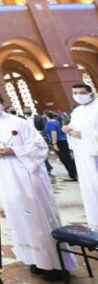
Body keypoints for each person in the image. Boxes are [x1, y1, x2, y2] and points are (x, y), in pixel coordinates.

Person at [0, 91, 75, 281]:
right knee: (19, 218)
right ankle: (34, 259)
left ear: (3, 103)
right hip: (5, 177)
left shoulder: (18, 122)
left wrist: (14, 150)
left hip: (28, 175)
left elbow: (39, 147)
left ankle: (55, 263)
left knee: (39, 217)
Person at [64, 83, 98, 227]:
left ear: (91, 93)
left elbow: (86, 131)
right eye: (75, 93)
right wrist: (69, 130)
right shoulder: (77, 111)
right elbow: (75, 128)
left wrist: (83, 134)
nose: (78, 96)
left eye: (82, 92)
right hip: (84, 155)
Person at [44, 110, 78, 181]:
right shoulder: (56, 121)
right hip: (63, 141)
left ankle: (73, 175)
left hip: (59, 142)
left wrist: (54, 143)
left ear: (46, 116)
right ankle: (74, 174)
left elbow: (54, 133)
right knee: (68, 159)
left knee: (65, 160)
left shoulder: (50, 123)